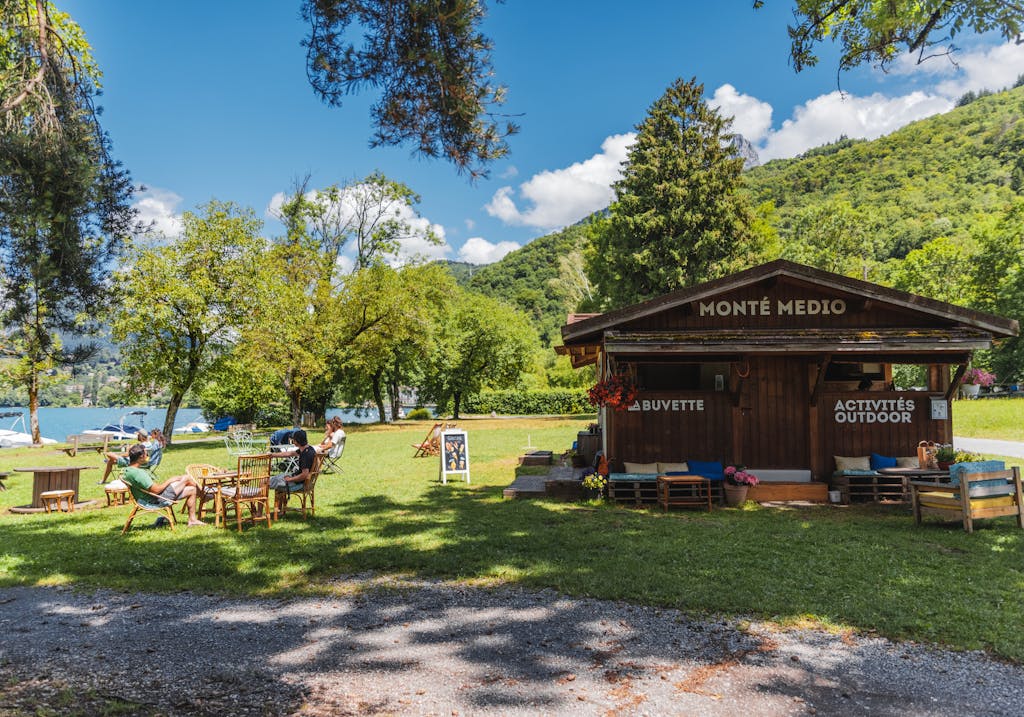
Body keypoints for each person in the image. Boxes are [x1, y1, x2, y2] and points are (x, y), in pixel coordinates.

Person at [119, 443, 204, 527]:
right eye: (146, 454)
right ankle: (205, 496)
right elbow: (156, 490)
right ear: (141, 457)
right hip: (155, 500)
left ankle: (192, 520)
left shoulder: (129, 470)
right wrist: (169, 481)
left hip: (149, 498)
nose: (148, 456)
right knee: (187, 478)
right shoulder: (138, 473)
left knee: (192, 489)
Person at [270, 429, 317, 498]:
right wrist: (273, 455)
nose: (292, 441)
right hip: (298, 479)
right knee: (275, 478)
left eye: (293, 440)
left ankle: (264, 507)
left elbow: (304, 475)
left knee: (265, 482)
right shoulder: (308, 449)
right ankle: (278, 508)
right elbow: (290, 453)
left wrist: (290, 479)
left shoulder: (305, 455)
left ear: (297, 441)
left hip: (298, 483)